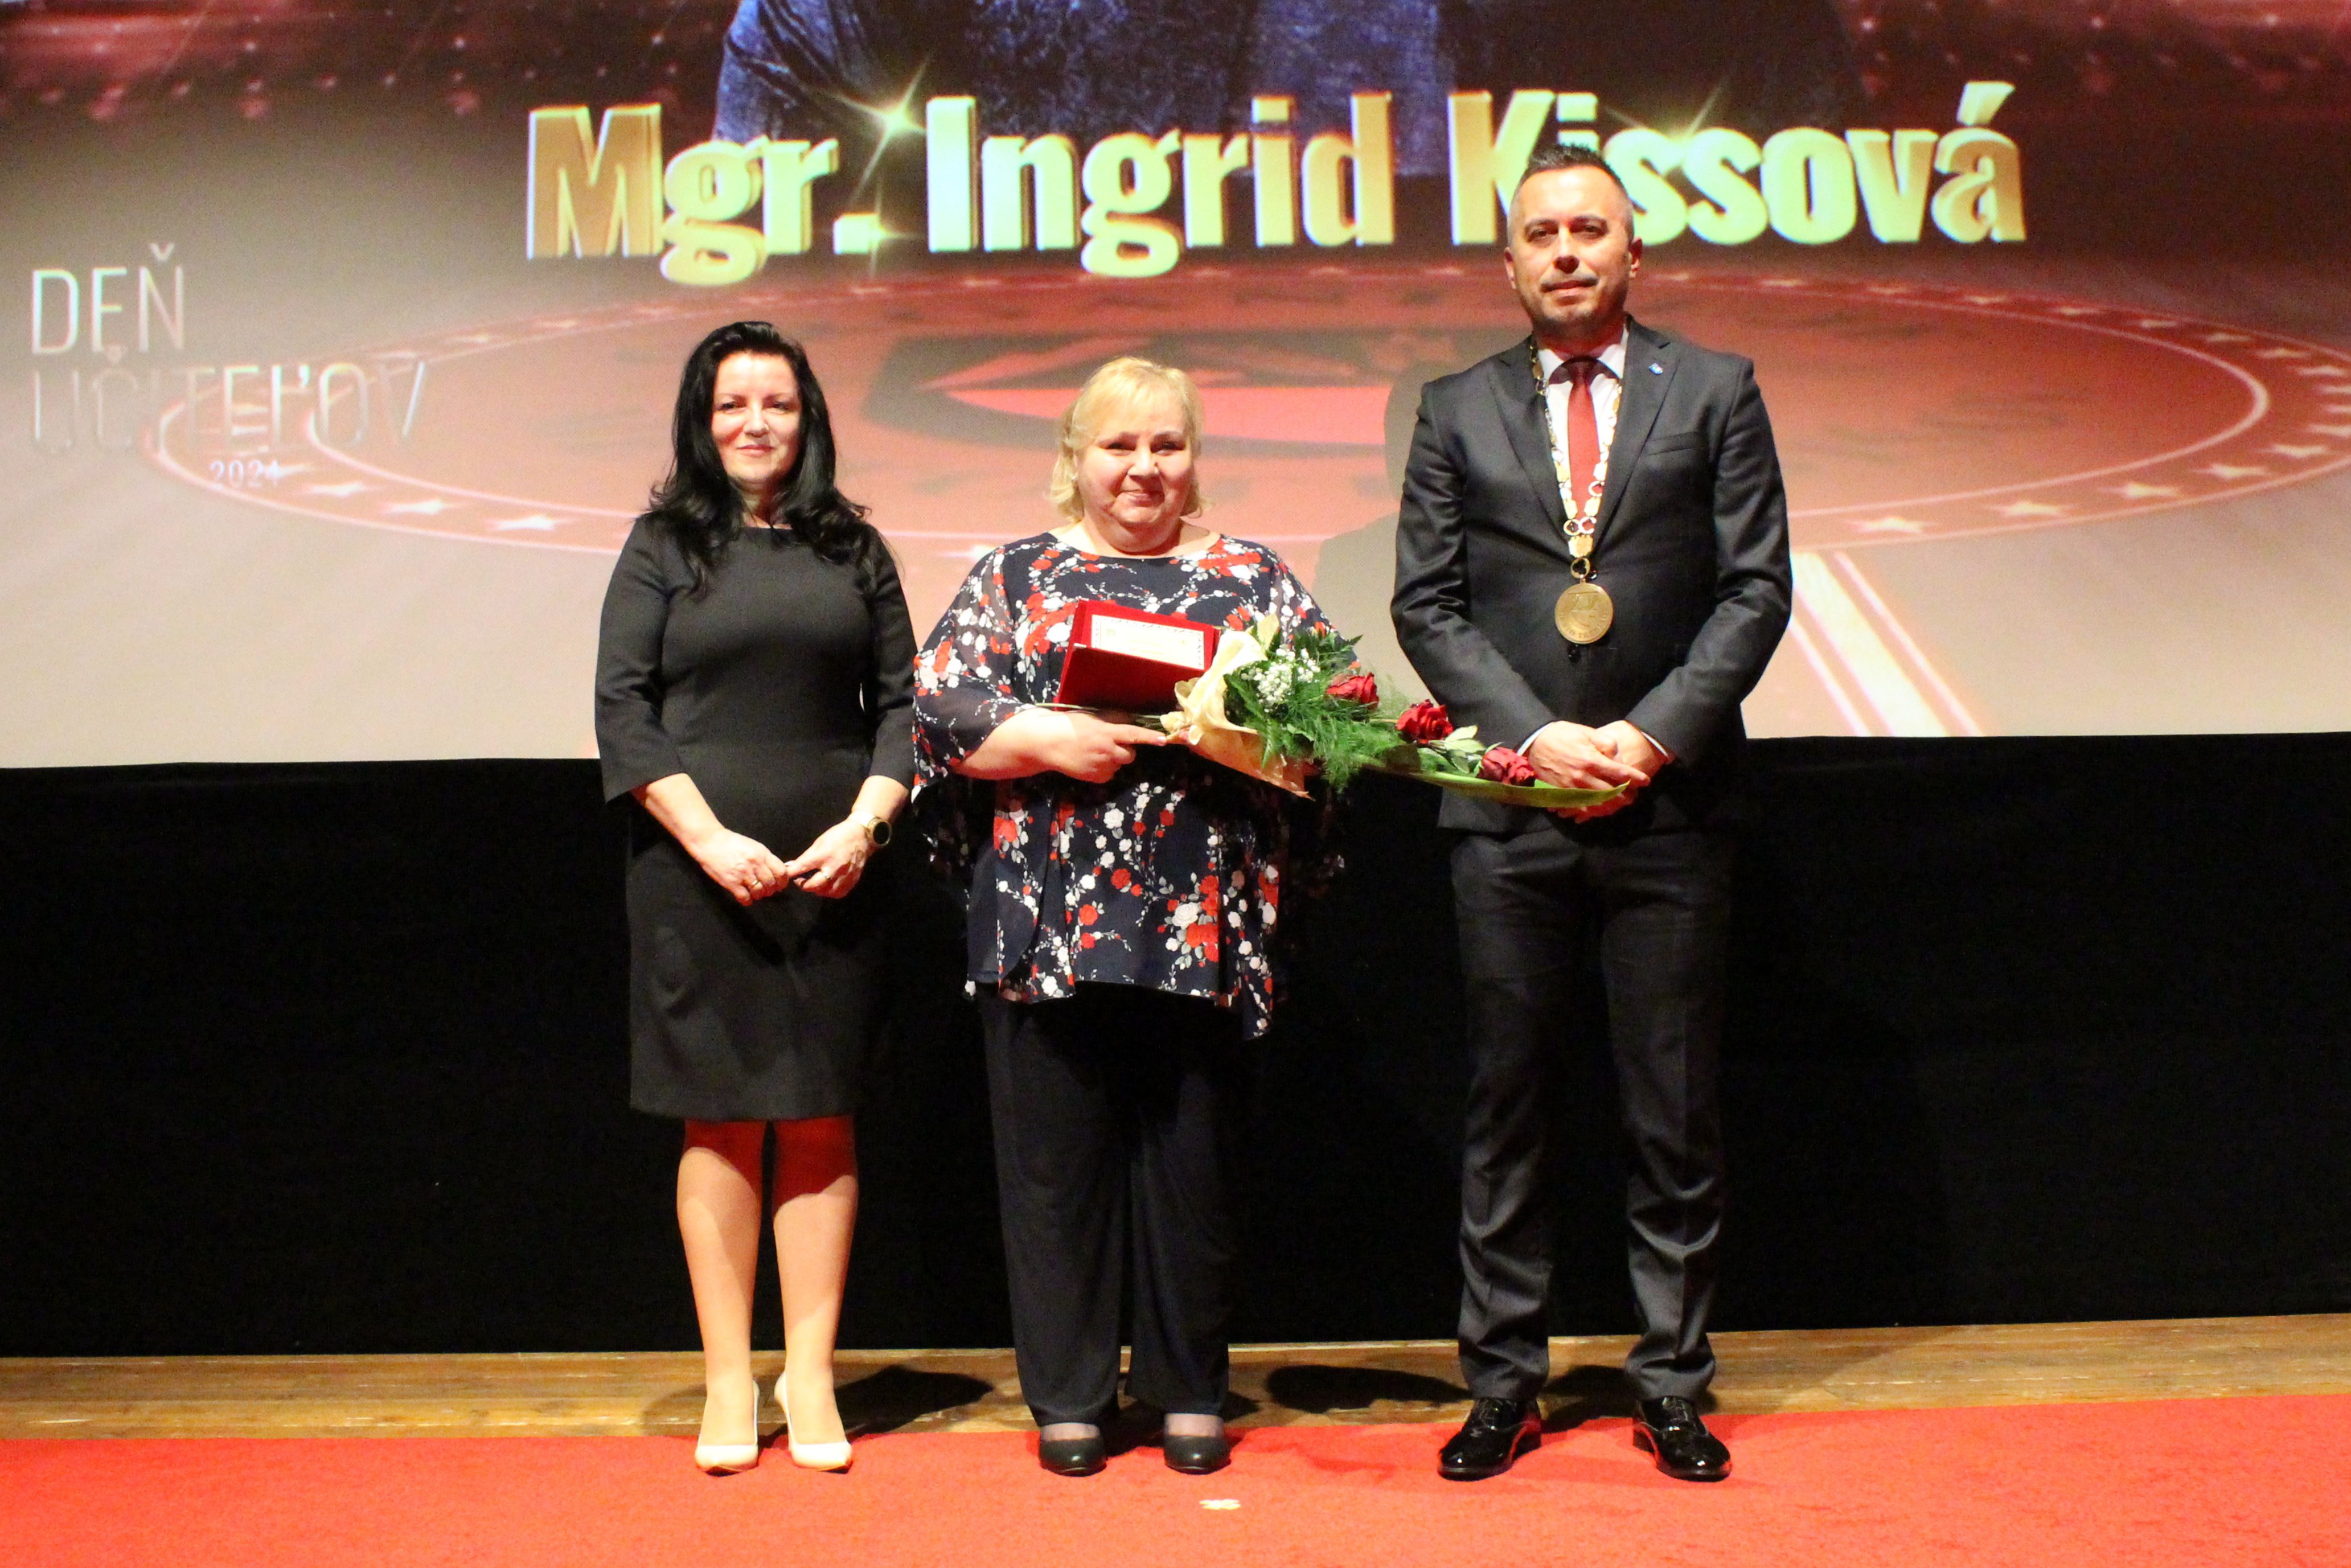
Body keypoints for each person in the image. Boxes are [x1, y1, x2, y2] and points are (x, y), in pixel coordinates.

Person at [1391, 142, 1792, 1483]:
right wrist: (1536, 737)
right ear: (1508, 263)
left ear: (1633, 251)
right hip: (1511, 811)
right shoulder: (1453, 407)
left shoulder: (1718, 389)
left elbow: (1754, 588)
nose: (1565, 251)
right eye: (1542, 234)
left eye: (1589, 230)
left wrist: (1652, 735)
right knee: (1507, 1108)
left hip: (1668, 809)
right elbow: (1426, 603)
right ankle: (1502, 1383)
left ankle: (1670, 1382)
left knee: (1671, 1114)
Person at [912, 357, 1331, 1479]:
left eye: (1166, 445)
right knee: (1055, 1174)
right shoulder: (1017, 574)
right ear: (1075, 457)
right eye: (1118, 445)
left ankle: (1190, 1387)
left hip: (1204, 921)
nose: (1143, 468)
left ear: (1194, 460)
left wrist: (1231, 730)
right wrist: (1050, 736)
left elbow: (1327, 732)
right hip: (1049, 923)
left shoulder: (1253, 576)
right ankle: (1070, 1396)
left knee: (1194, 1166)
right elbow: (938, 710)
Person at [595, 321, 915, 1473]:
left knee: (820, 1116)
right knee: (719, 1120)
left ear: (807, 417)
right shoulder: (662, 546)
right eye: (731, 403)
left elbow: (903, 706)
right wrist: (709, 839)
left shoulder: (853, 549)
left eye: (775, 403)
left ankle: (811, 1375)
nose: (754, 423)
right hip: (695, 877)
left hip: (836, 874)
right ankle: (731, 1378)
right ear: (701, 419)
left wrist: (865, 826)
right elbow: (623, 708)